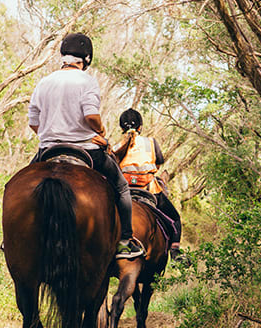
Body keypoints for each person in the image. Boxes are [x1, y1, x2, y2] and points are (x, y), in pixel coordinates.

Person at [27, 33, 143, 259]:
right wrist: (100, 131)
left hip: (48, 149)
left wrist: (50, 134)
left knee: (16, 183)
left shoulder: (44, 81)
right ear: (86, 59)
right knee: (121, 188)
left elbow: (34, 123)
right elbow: (91, 116)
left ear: (63, 56)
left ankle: (12, 239)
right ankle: (125, 240)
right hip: (85, 148)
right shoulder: (87, 81)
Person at [112, 108, 187, 263]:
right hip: (149, 189)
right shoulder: (151, 142)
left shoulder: (116, 146)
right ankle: (175, 251)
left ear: (121, 128)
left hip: (124, 190)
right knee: (175, 219)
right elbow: (159, 162)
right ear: (140, 127)